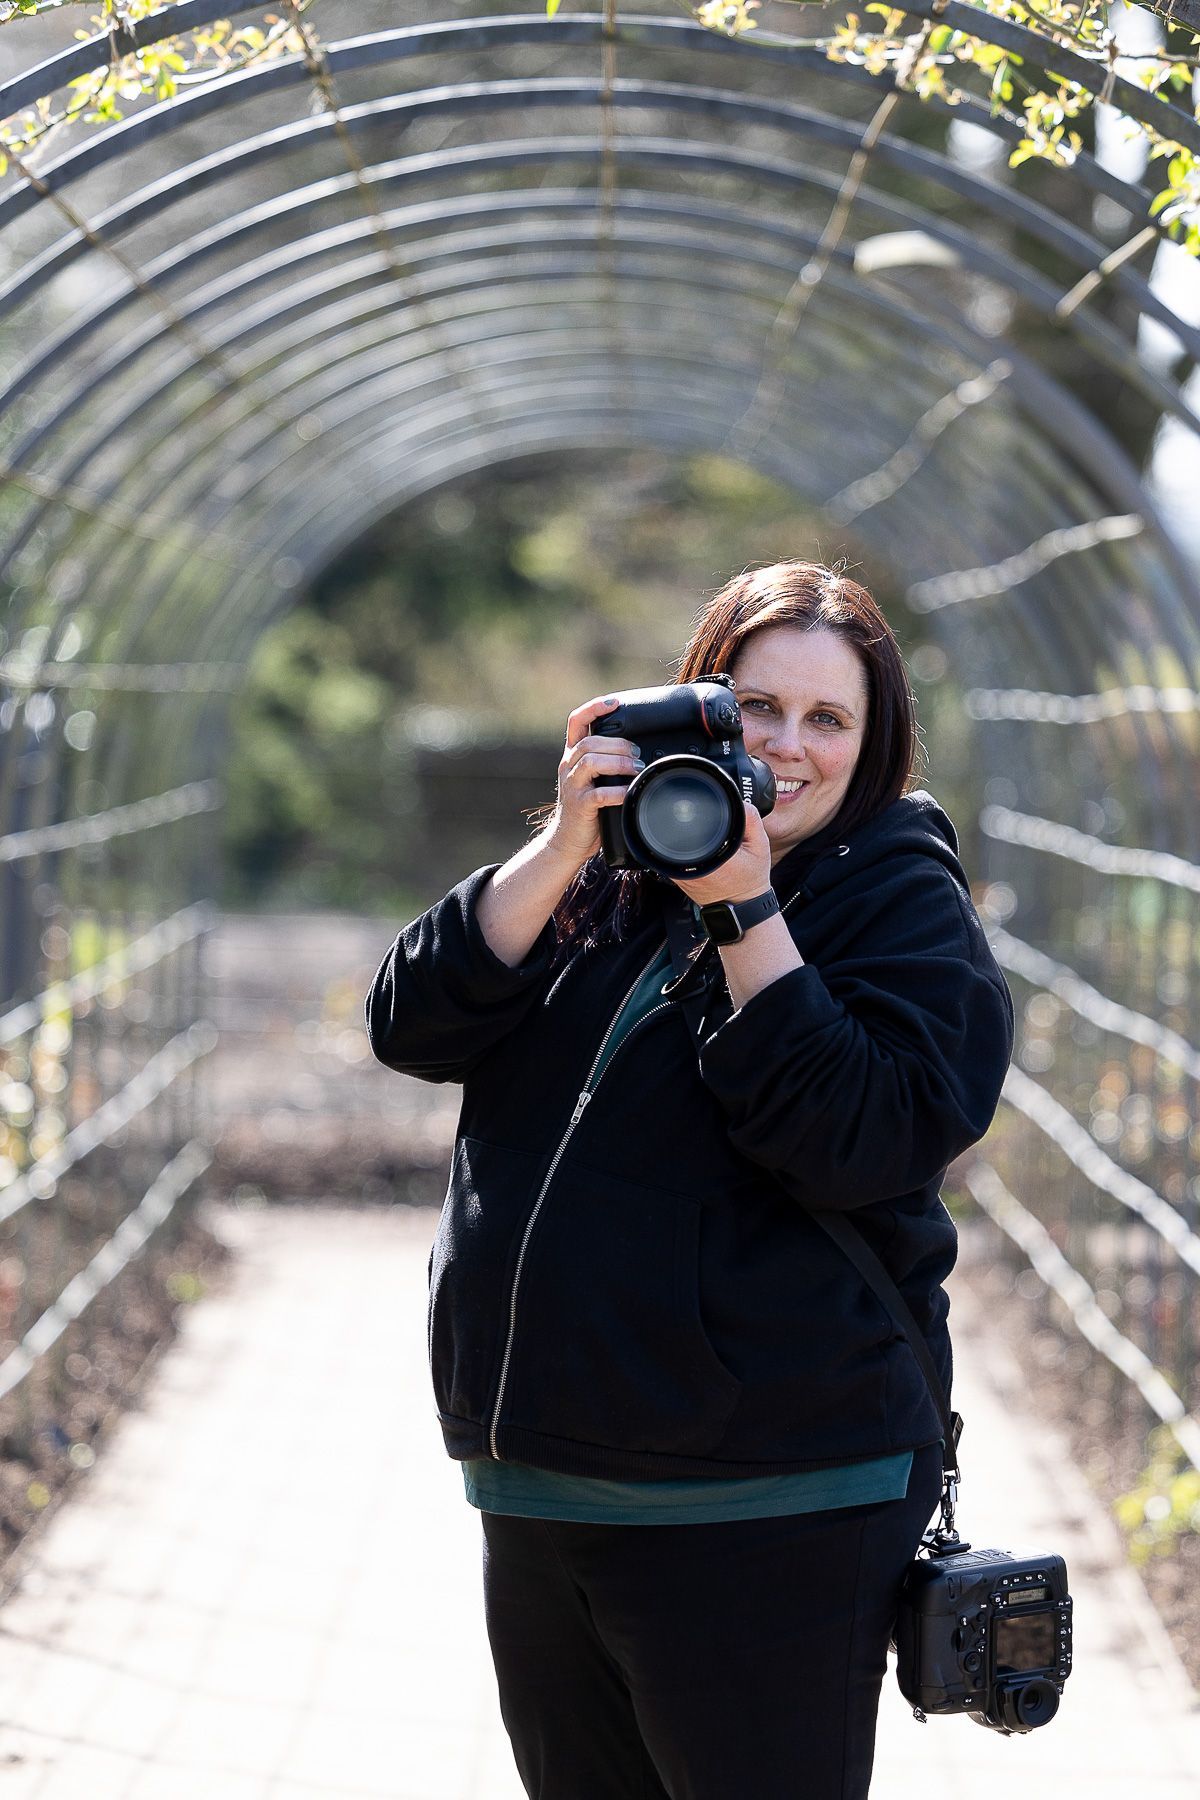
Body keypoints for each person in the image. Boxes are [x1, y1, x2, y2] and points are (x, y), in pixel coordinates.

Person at [366, 560, 1014, 1800]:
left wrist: (744, 909)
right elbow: (412, 1024)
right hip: (542, 1485)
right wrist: (566, 842)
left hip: (772, 1499)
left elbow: (863, 1138)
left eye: (829, 719)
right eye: (755, 706)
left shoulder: (900, 902)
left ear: (873, 749)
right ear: (695, 703)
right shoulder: (605, 878)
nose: (786, 745)